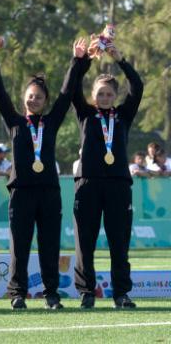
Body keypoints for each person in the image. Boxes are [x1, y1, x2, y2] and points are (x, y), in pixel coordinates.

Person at [0, 38, 84, 310]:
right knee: (19, 246)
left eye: (39, 97)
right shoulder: (15, 122)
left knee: (49, 245)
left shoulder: (51, 122)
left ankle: (51, 293)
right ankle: (17, 292)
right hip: (21, 192)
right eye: (30, 96)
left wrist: (76, 61)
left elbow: (66, 94)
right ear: (24, 99)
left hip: (49, 192)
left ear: (45, 101)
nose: (34, 99)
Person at [70, 35, 143, 309]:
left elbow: (137, 85)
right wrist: (82, 59)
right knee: (84, 242)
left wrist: (119, 58)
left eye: (109, 94)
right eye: (100, 93)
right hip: (87, 184)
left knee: (118, 243)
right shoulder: (85, 114)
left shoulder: (123, 116)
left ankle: (121, 294)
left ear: (116, 97)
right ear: (93, 96)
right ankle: (86, 292)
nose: (104, 97)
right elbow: (71, 87)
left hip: (118, 185)